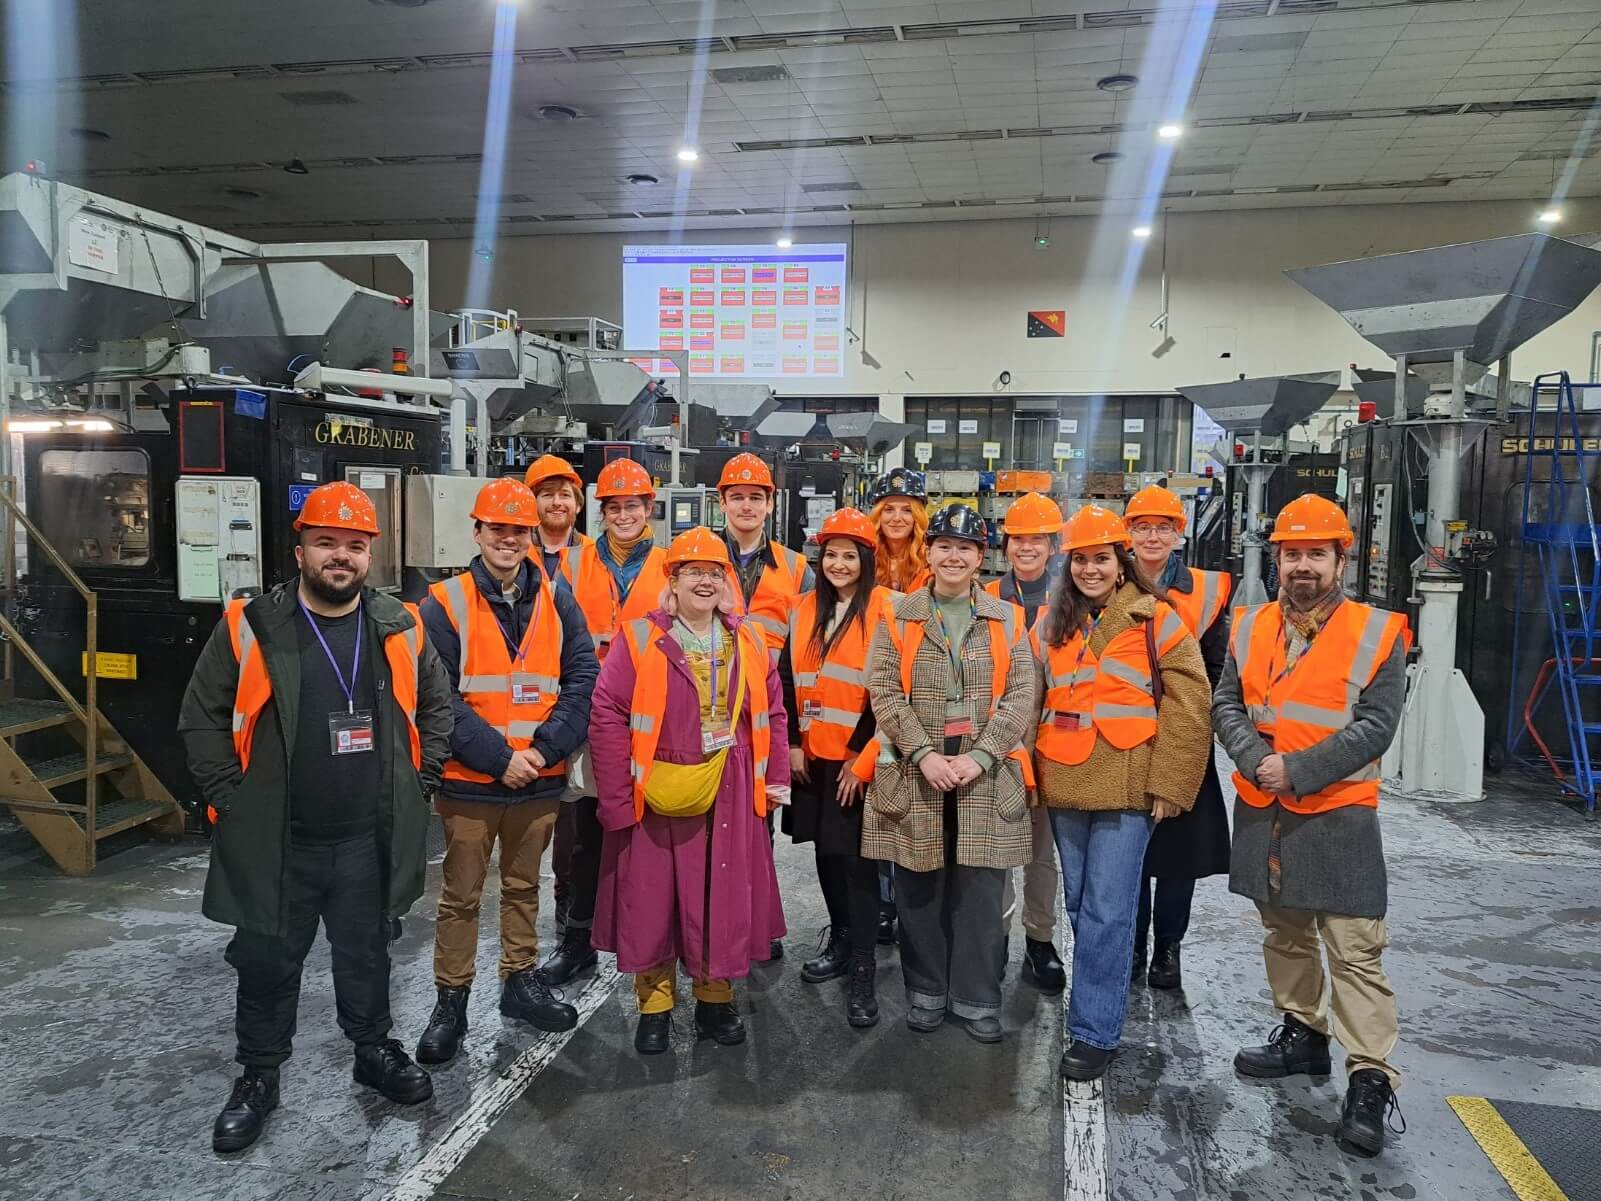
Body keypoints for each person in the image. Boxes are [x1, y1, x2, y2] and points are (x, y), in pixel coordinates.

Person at [179, 481, 454, 1153]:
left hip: (367, 836)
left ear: (370, 556)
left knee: (366, 954)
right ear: (298, 547)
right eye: (326, 541)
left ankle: (373, 1048)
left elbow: (438, 708)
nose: (341, 556)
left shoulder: (400, 623)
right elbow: (201, 716)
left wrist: (417, 786)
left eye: (354, 545)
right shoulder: (252, 624)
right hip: (280, 838)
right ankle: (258, 1074)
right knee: (267, 960)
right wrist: (232, 801)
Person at [1213, 494, 1408, 1155]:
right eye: (1291, 553)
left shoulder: (1378, 633)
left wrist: (1294, 769)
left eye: (1314, 554)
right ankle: (1303, 1034)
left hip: (1338, 813)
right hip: (1264, 808)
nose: (1302, 566)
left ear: (1338, 560)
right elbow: (1226, 703)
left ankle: (1369, 1077)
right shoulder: (1248, 626)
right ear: (1277, 558)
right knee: (1285, 929)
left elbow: (1375, 725)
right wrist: (1255, 759)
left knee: (1354, 949)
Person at [413, 478, 599, 1064]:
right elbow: (436, 697)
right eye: (499, 529)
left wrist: (542, 753)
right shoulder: (442, 604)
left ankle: (519, 981)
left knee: (524, 887)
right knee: (461, 894)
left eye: (519, 531)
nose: (509, 540)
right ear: (478, 532)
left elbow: (582, 678)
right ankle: (452, 1001)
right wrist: (501, 759)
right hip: (471, 781)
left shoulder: (557, 598)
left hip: (537, 780)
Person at [590, 527, 790, 1054]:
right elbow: (607, 714)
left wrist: (775, 781)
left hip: (732, 787)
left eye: (714, 572)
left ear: (725, 581)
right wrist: (615, 798)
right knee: (653, 902)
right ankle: (654, 1006)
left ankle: (714, 1000)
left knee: (718, 898)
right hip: (657, 789)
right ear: (672, 581)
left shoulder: (747, 640)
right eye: (692, 572)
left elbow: (772, 710)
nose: (705, 581)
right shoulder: (639, 640)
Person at [1032, 504, 1211, 1082]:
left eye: (1101, 559)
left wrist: (1171, 783)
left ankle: (1094, 1030)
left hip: (1130, 781)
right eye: (1080, 559)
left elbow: (1190, 704)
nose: (1090, 569)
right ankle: (1099, 999)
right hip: (1063, 776)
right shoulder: (1049, 623)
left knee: (1109, 909)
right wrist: (1028, 776)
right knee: (1082, 905)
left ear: (1121, 562)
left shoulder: (1155, 618)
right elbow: (1034, 700)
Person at [863, 504, 1038, 1044]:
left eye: (965, 547)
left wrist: (980, 756)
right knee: (920, 891)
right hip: (919, 777)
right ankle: (926, 993)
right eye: (943, 545)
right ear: (929, 552)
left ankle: (977, 998)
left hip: (985, 778)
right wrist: (925, 755)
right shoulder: (899, 614)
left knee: (982, 895)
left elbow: (1020, 696)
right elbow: (885, 693)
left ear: (980, 556)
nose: (953, 555)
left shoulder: (1007, 618)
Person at [535, 456, 670, 986]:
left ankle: (658, 938)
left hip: (657, 717)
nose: (622, 516)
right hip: (594, 716)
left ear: (648, 508)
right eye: (613, 507)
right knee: (588, 832)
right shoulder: (572, 564)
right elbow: (555, 640)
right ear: (602, 511)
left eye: (632, 506)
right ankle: (578, 941)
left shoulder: (670, 565)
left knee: (655, 833)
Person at [780, 508, 892, 1028]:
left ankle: (864, 964)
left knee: (858, 862)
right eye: (832, 555)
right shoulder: (804, 608)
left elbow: (888, 693)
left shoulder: (888, 609)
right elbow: (786, 678)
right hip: (813, 759)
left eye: (850, 556)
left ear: (867, 561)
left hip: (857, 763)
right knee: (826, 853)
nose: (839, 564)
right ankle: (842, 937)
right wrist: (794, 743)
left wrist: (858, 758)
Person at [1123, 484, 1232, 991]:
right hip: (1123, 737)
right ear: (1128, 534)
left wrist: (1183, 721)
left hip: (1183, 737)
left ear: (1178, 532)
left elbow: (1215, 668)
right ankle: (1134, 943)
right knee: (1129, 850)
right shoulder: (1108, 584)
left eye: (1162, 527)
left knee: (1178, 855)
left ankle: (1168, 948)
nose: (1151, 536)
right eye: (1141, 527)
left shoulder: (1207, 592)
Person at [521, 454, 605, 985]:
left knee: (578, 826)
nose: (557, 502)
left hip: (581, 709)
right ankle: (531, 935)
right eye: (546, 493)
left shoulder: (594, 561)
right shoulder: (509, 552)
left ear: (578, 504)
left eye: (565, 494)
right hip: (522, 718)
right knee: (530, 831)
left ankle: (571, 921)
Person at [984, 491, 1067, 996]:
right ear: (1006, 543)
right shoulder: (988, 595)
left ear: (1054, 545)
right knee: (995, 847)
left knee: (1040, 854)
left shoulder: (1070, 599)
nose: (1027, 547)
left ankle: (1040, 941)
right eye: (1019, 538)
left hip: (1055, 744)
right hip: (997, 742)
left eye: (1038, 538)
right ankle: (993, 939)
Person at [866, 466, 932, 944]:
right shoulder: (860, 558)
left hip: (917, 696)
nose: (895, 516)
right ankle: (883, 901)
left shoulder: (932, 562)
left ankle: (909, 899)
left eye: (904, 508)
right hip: (865, 692)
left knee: (911, 797)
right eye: (887, 508)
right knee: (878, 801)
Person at [717, 451, 814, 657]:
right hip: (712, 684)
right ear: (722, 503)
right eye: (737, 497)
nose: (746, 506)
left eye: (755, 498)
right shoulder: (699, 561)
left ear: (769, 504)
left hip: (772, 685)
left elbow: (808, 639)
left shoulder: (796, 568)